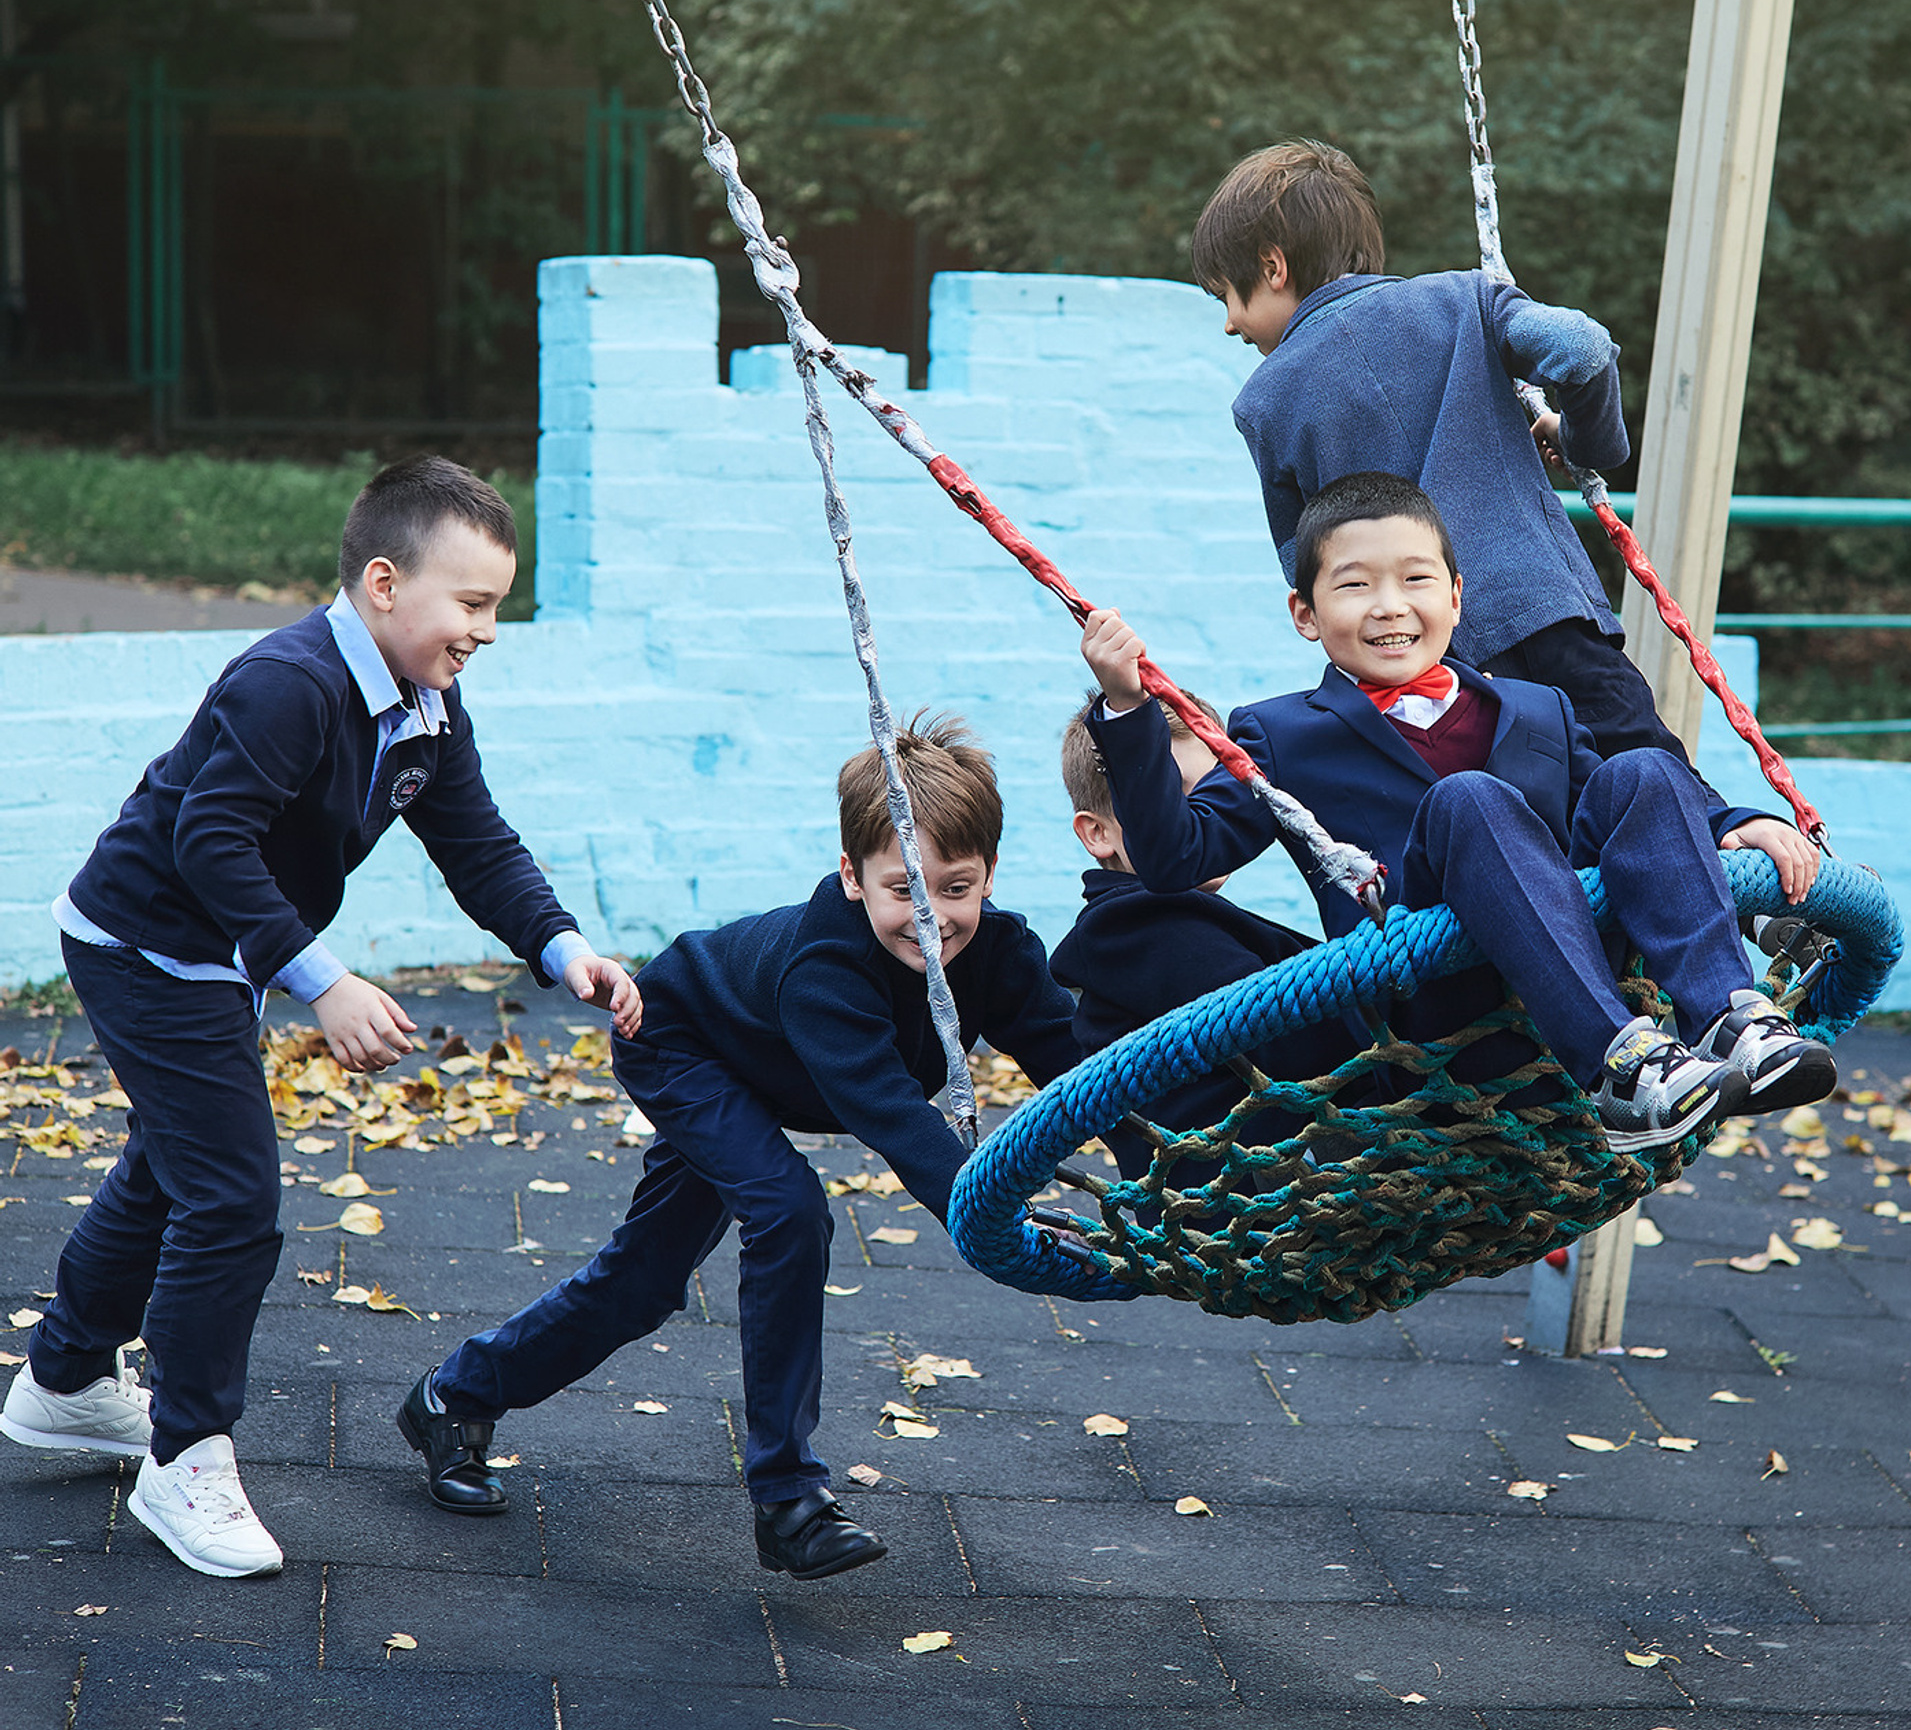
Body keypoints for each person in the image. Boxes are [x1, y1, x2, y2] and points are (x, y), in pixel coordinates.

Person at [1, 457, 640, 1580]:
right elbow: (209, 841)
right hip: (145, 945)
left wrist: (561, 945)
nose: (487, 630)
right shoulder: (289, 683)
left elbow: (476, 842)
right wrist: (322, 981)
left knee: (174, 1165)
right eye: (473, 603)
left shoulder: (426, 704)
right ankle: (185, 1457)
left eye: (497, 606)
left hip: (212, 955)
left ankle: (64, 1380)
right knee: (230, 1196)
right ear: (385, 584)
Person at [396, 713, 1089, 1582]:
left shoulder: (1002, 951)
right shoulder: (827, 973)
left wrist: (1179, 1167)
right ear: (852, 876)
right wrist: (997, 1222)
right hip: (683, 1044)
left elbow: (1085, 1076)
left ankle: (451, 1397)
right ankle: (789, 1501)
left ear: (989, 874)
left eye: (957, 888)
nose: (932, 915)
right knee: (787, 1212)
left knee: (644, 1279)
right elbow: (897, 1121)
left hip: (767, 1066)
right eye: (903, 888)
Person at [1075, 472, 1836, 1157]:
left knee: (1642, 770)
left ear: (1456, 597)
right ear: (1305, 614)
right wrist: (1126, 709)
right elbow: (1176, 859)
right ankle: (1622, 1069)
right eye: (1355, 586)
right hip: (1434, 1017)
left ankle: (1731, 1020)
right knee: (1469, 799)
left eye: (1416, 579)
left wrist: (1727, 823)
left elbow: (1626, 816)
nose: (1390, 605)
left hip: (1581, 979)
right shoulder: (1278, 734)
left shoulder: (1538, 707)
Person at [1192, 138, 1764, 778]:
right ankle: (1737, 827)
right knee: (1658, 782)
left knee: (1513, 816)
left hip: (1436, 672)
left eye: (1226, 297)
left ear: (1273, 267)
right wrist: (1587, 443)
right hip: (1547, 610)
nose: (1230, 324)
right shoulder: (1462, 300)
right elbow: (1582, 349)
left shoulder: (1264, 403)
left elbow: (1304, 564)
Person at [1051, 689, 1353, 1182]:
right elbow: (1286, 1031)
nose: (1204, 813)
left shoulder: (1182, 919)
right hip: (1232, 1207)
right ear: (1098, 833)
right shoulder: (1135, 927)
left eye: (1219, 789)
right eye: (1172, 795)